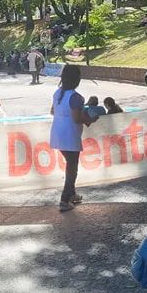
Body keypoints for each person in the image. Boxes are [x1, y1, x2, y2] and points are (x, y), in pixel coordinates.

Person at [50, 65, 98, 212]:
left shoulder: (58, 93)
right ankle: (65, 199)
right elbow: (77, 118)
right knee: (72, 167)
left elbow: (52, 111)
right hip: (70, 133)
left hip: (57, 131)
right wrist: (91, 118)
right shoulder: (76, 97)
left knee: (70, 164)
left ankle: (71, 194)